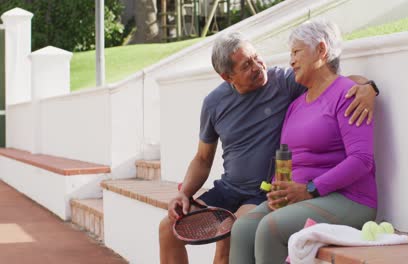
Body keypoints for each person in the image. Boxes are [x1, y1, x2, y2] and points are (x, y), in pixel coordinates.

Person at [159, 30, 377, 264]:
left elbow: (330, 80)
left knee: (230, 238)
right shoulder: (214, 103)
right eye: (246, 66)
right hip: (229, 189)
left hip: (261, 191)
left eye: (256, 57)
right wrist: (184, 193)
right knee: (168, 228)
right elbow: (203, 159)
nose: (257, 67)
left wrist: (368, 87)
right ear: (227, 77)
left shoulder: (284, 82)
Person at [229, 19, 378, 264]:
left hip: (349, 198)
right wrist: (279, 188)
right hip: (302, 195)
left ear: (321, 50)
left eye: (297, 52)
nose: (291, 61)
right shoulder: (296, 105)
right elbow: (287, 156)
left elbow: (362, 160)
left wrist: (311, 189)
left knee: (271, 228)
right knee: (243, 228)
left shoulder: (350, 94)